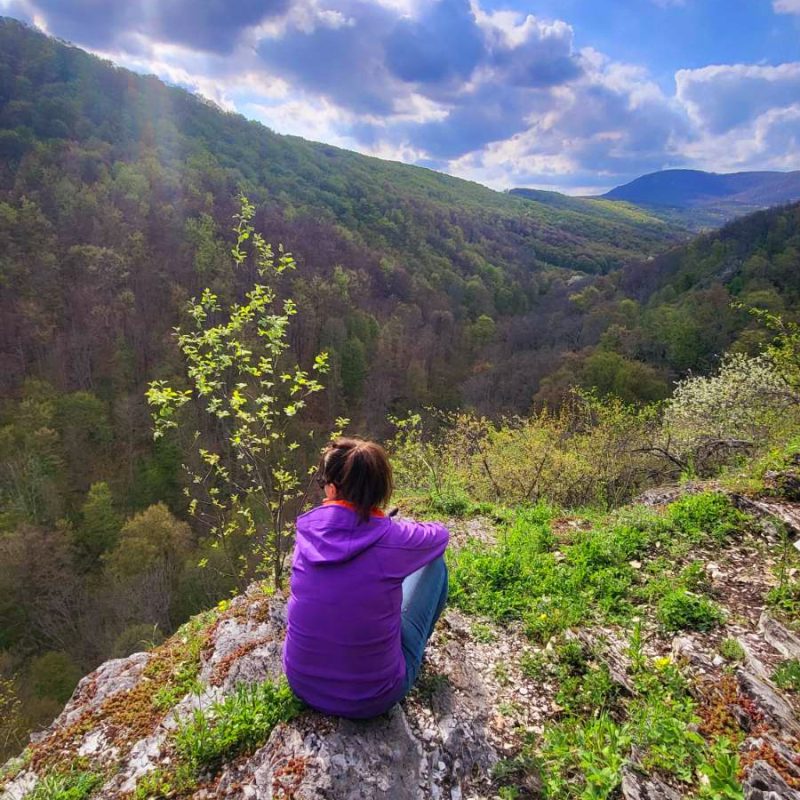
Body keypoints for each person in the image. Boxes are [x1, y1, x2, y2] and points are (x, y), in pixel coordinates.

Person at [283, 437, 450, 719]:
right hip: (371, 698)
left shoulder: (307, 533)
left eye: (322, 483)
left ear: (333, 489)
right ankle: (412, 656)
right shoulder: (393, 539)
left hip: (302, 684)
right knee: (434, 564)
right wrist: (392, 525)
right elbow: (440, 536)